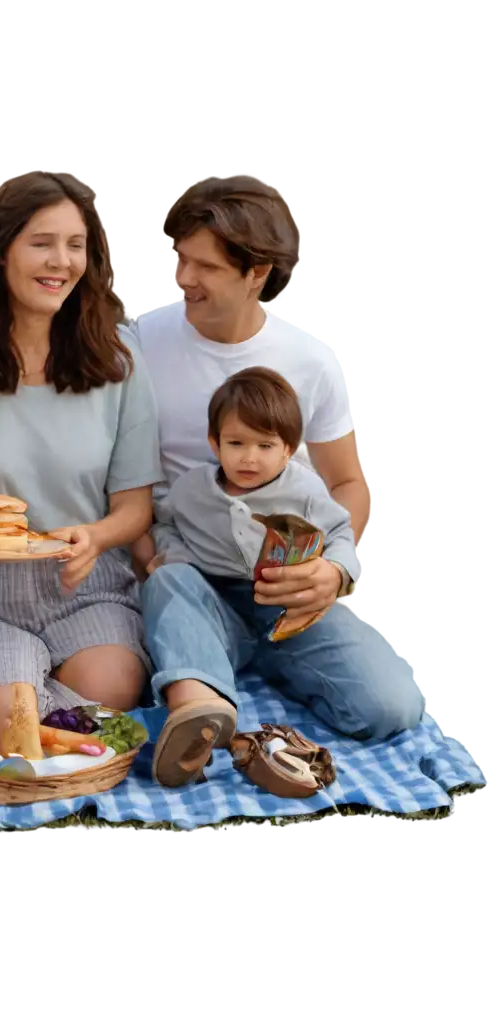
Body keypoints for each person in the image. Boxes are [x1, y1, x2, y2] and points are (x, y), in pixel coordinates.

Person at [124, 178, 424, 786]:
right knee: (171, 582)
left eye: (203, 266)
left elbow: (348, 485)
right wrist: (150, 556)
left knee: (390, 709)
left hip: (285, 591)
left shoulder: (312, 360)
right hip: (189, 577)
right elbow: (121, 476)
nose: (183, 278)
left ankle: (253, 688)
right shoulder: (141, 343)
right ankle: (202, 707)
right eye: (180, 258)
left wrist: (331, 574)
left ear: (255, 272)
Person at [0, 169, 163, 754]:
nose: (62, 262)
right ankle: (22, 705)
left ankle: (35, 707)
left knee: (113, 686)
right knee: (13, 723)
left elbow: (135, 508)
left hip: (90, 584)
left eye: (76, 246)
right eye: (42, 242)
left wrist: (95, 537)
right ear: (0, 252)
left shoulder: (119, 359)